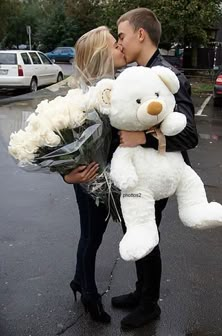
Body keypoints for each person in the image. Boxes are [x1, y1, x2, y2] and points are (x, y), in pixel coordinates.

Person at [110, 8, 199, 330]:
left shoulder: (166, 75)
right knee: (137, 229)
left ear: (140, 34)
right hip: (139, 172)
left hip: (158, 175)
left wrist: (142, 138)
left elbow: (189, 134)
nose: (119, 43)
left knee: (147, 232)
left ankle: (149, 305)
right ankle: (140, 292)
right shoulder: (138, 73)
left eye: (122, 35)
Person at [63, 26, 126, 323]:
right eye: (115, 45)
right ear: (103, 56)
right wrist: (67, 175)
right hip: (89, 178)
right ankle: (88, 294)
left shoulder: (113, 87)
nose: (121, 48)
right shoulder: (85, 98)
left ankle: (79, 279)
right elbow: (63, 144)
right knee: (92, 237)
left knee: (92, 235)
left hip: (106, 176)